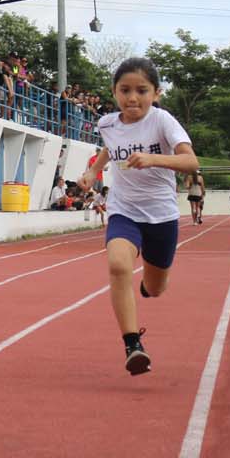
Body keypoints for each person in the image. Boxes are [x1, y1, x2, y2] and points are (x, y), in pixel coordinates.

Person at [77, 57, 198, 376]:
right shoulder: (106, 123)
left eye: (141, 90)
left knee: (155, 288)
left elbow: (191, 163)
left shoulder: (163, 121)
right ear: (114, 92)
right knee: (118, 265)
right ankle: (133, 345)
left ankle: (150, 283)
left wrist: (153, 159)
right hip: (124, 210)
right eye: (125, 90)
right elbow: (108, 147)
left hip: (160, 215)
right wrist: (92, 171)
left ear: (156, 93)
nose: (133, 98)